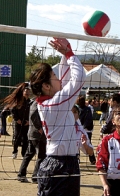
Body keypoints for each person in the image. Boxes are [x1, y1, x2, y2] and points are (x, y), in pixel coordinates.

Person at [29, 37, 86, 195]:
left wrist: (64, 52)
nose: (58, 78)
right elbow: (79, 79)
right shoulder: (54, 105)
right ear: (46, 86)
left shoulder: (54, 101)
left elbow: (67, 78)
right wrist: (69, 53)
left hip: (70, 162)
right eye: (54, 76)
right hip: (57, 164)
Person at [17, 99, 47, 183]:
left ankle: (21, 174)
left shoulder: (39, 102)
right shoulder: (37, 102)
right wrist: (39, 127)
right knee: (41, 155)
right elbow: (33, 115)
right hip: (37, 134)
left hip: (34, 134)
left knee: (29, 154)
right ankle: (35, 176)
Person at [1, 82, 31, 159]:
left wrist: (29, 121)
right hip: (18, 122)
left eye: (28, 92)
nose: (27, 93)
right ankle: (15, 151)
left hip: (26, 123)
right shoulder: (18, 101)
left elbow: (33, 113)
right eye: (25, 92)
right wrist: (16, 119)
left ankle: (24, 153)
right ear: (23, 92)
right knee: (17, 137)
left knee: (25, 139)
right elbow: (12, 109)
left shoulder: (30, 102)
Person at [77, 95, 96, 165]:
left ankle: (92, 159)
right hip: (82, 129)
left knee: (86, 143)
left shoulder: (86, 109)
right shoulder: (78, 109)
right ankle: (91, 159)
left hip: (84, 129)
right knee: (79, 144)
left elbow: (89, 119)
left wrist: (83, 127)